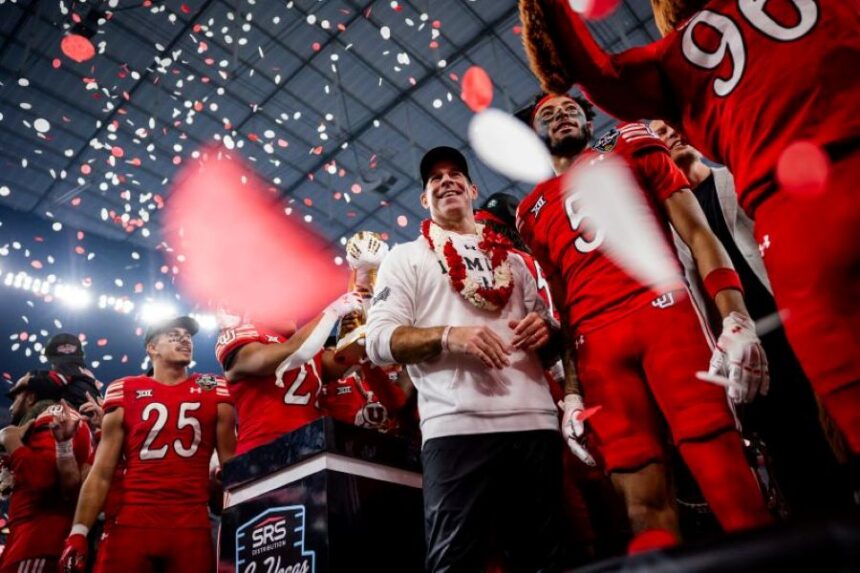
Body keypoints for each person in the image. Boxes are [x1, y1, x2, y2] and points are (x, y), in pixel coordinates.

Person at [517, 0, 860, 457]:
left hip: (787, 240)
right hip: (736, 290)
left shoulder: (668, 74)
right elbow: (562, 297)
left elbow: (596, 72)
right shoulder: (539, 205)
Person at [516, 93, 772, 548]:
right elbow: (562, 305)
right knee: (639, 501)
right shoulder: (530, 210)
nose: (560, 117)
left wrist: (734, 316)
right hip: (597, 348)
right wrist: (572, 393)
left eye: (569, 110)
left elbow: (698, 233)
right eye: (547, 115)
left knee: (724, 473)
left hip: (665, 316)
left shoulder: (631, 142)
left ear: (589, 121)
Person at [365, 146, 565, 572]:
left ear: (473, 189)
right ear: (424, 199)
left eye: (455, 174)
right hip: (456, 428)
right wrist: (450, 336)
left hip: (534, 423)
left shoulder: (513, 262)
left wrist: (546, 331)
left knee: (545, 559)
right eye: (434, 178)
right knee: (455, 564)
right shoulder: (405, 257)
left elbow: (548, 340)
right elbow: (379, 340)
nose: (446, 181)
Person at [649, 120, 853, 517]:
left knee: (837, 420)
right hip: (744, 343)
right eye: (657, 132)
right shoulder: (672, 226)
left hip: (793, 316)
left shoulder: (738, 178)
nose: (669, 133)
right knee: (788, 444)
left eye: (671, 124)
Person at [59, 316, 236, 573]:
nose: (185, 339)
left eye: (188, 336)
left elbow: (231, 465)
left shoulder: (214, 388)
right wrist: (78, 532)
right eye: (174, 335)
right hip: (132, 523)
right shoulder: (125, 390)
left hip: (191, 525)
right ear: (152, 348)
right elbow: (101, 473)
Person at [215, 294, 363, 455]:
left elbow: (347, 361)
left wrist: (362, 327)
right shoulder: (243, 334)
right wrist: (333, 312)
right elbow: (294, 352)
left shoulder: (308, 344)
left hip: (311, 445)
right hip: (263, 449)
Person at [0, 372, 91, 573]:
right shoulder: (58, 418)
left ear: (31, 397)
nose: (13, 405)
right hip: (34, 539)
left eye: (16, 396)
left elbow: (43, 480)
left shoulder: (51, 416)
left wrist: (11, 441)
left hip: (37, 541)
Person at [44, 333, 100, 411]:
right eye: (63, 346)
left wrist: (29, 381)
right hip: (84, 408)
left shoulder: (83, 370)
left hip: (81, 408)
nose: (67, 348)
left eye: (70, 345)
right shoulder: (85, 371)